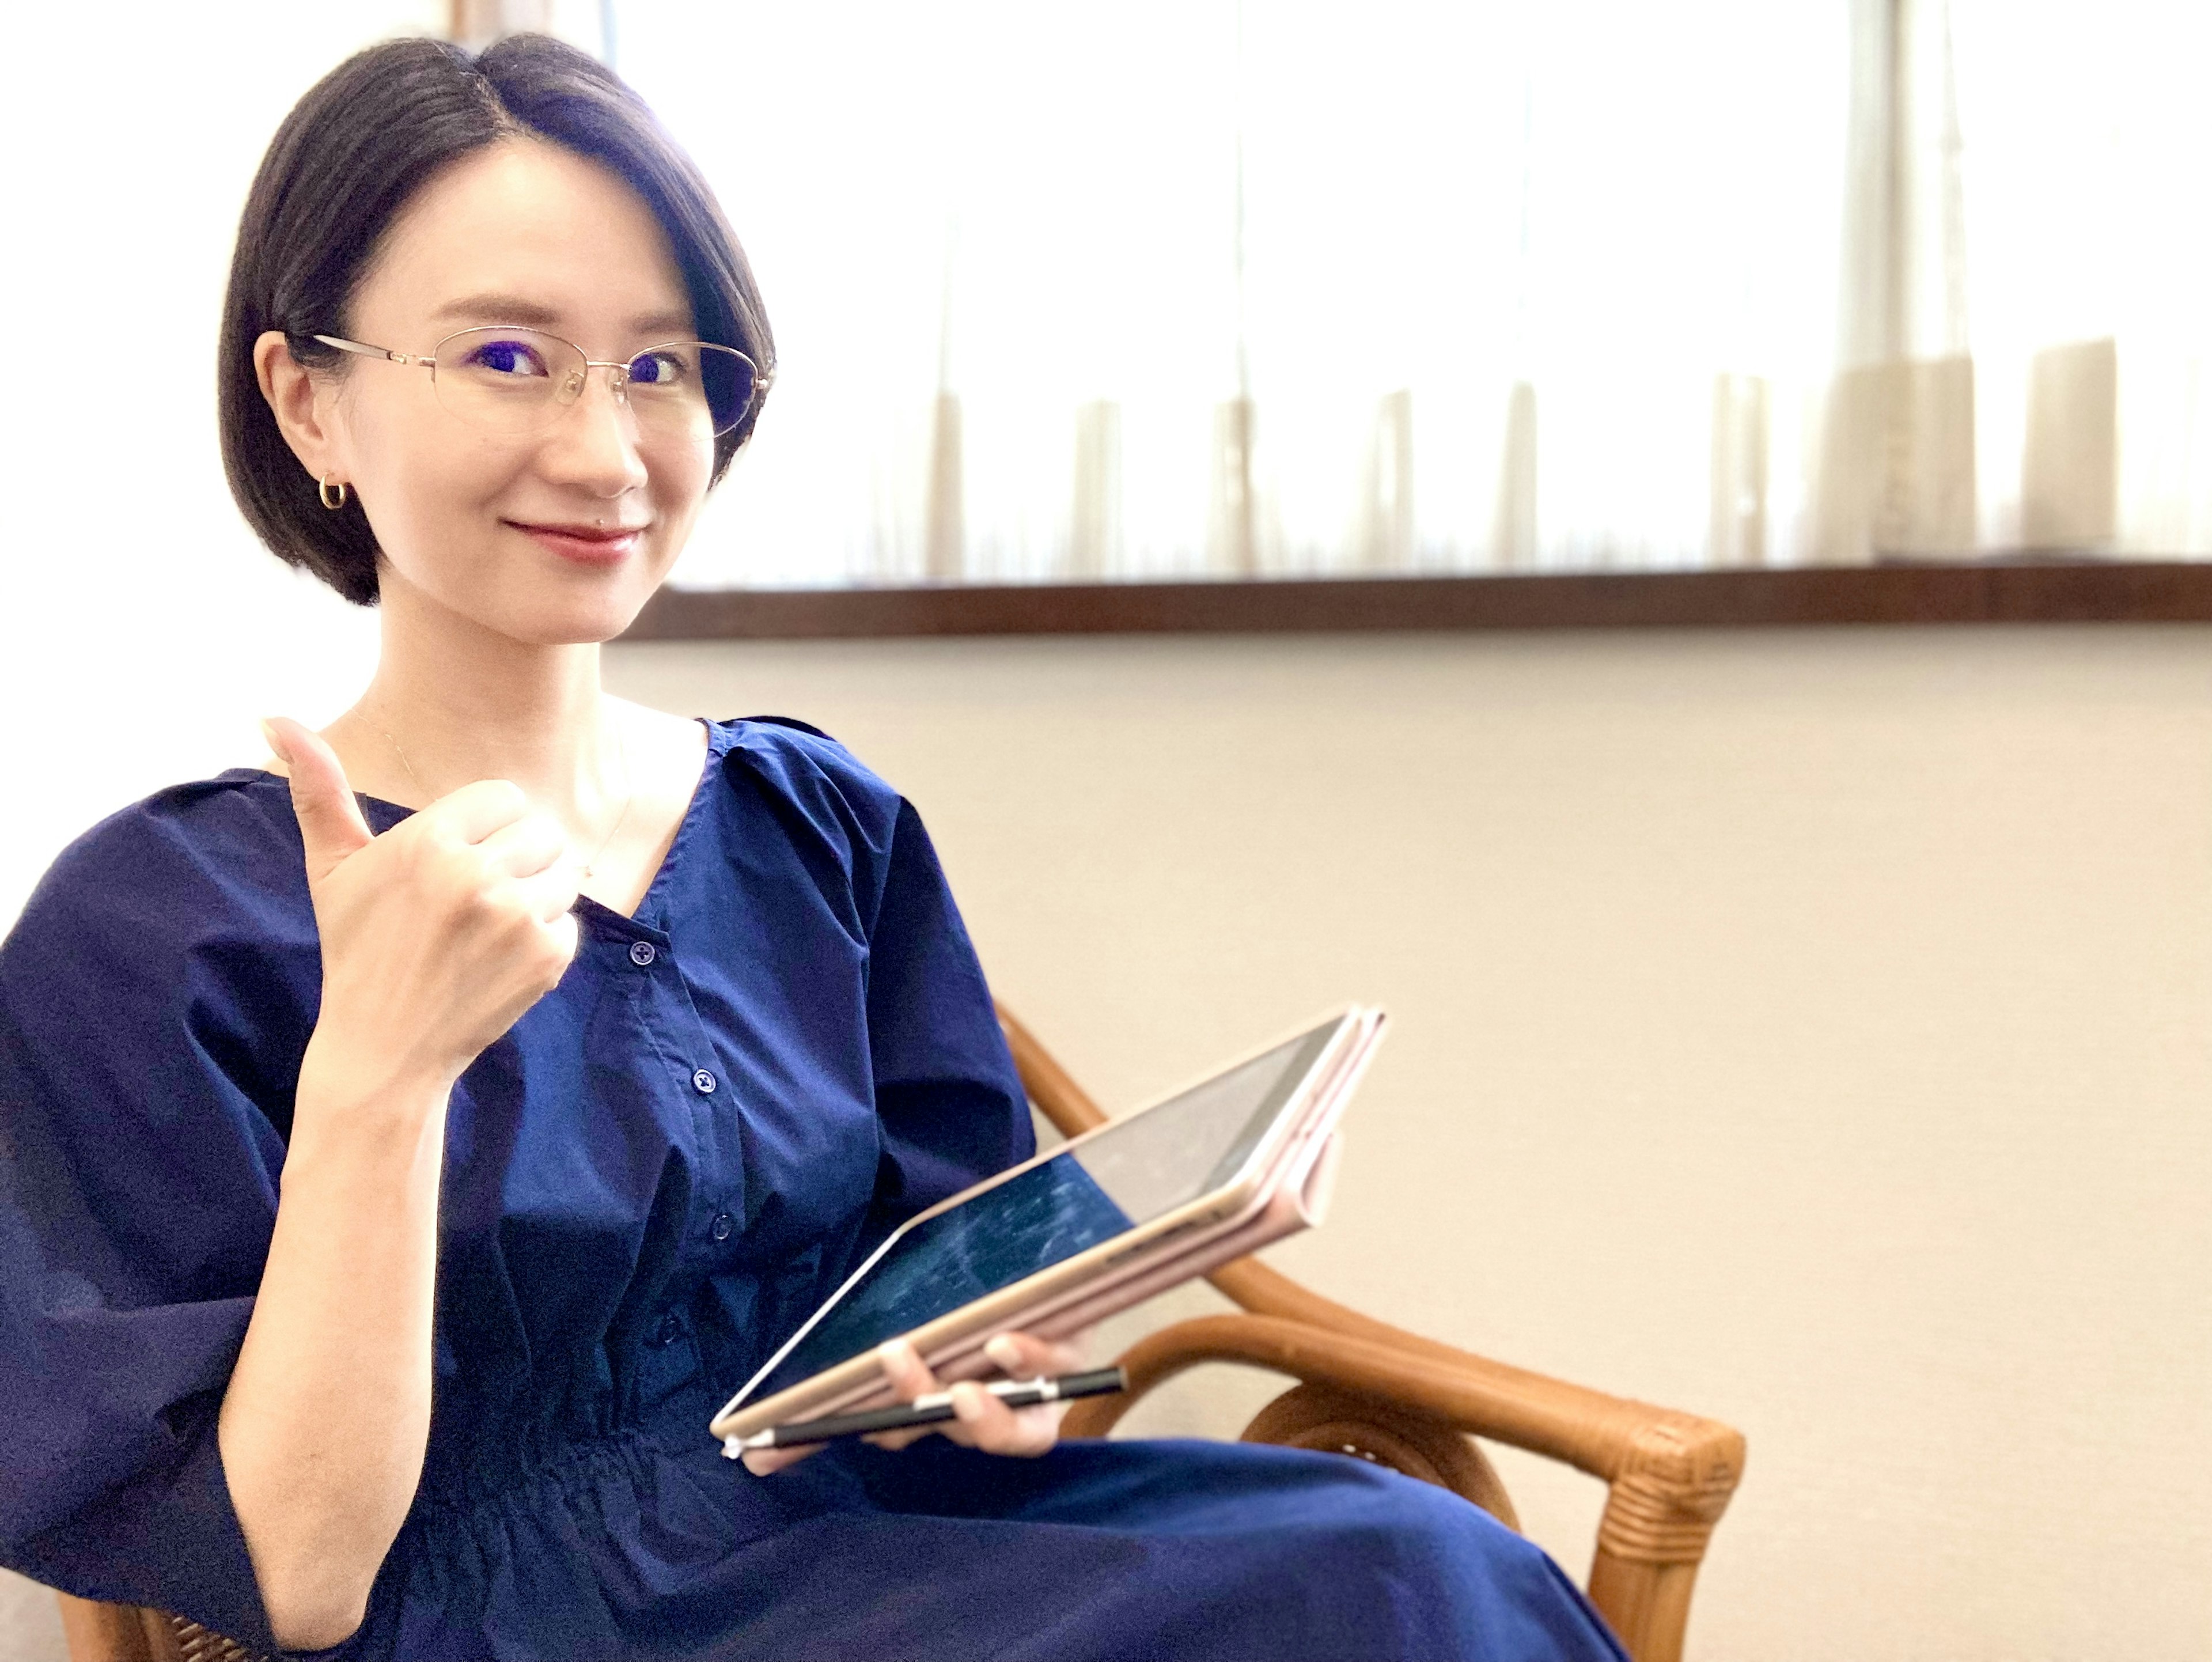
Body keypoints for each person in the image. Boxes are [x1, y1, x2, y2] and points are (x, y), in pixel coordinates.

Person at [0, 33, 1626, 1662]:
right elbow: (294, 1578)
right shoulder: (162, 927)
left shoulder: (809, 824)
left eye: (659, 364)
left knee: (1413, 1566)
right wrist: (380, 1077)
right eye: (507, 356)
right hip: (509, 1625)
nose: (606, 451)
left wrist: (991, 1382)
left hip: (883, 1550)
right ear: (311, 403)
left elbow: (944, 1308)